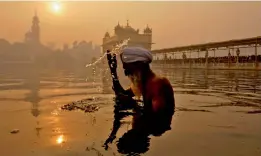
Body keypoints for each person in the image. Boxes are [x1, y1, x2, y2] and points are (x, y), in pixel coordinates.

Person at [116, 46, 175, 118]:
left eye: (129, 70)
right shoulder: (140, 84)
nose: (126, 74)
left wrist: (133, 105)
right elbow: (123, 95)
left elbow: (158, 119)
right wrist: (113, 74)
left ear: (139, 65)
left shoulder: (158, 84)